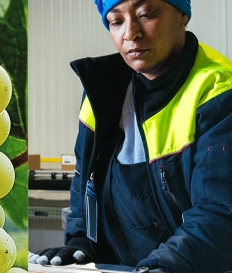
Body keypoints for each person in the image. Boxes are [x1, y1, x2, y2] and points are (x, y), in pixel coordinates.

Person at [29, 0, 232, 272]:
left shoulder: (219, 92)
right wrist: (82, 241)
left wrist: (166, 264)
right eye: (116, 21)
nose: (130, 33)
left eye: (146, 14)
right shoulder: (101, 93)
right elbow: (84, 179)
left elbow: (219, 211)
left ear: (182, 15)